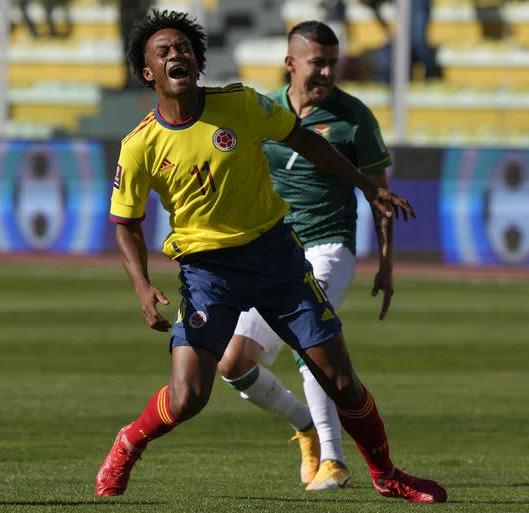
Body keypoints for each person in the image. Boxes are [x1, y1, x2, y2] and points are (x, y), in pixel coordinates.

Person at [95, 9, 447, 504]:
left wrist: (368, 187)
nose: (177, 53)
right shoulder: (139, 146)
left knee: (342, 381)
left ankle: (387, 475)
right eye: (164, 51)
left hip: (276, 259)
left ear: (196, 61)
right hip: (207, 274)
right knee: (189, 397)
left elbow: (302, 138)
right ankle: (128, 442)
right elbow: (125, 225)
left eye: (183, 48)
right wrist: (141, 285)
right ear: (148, 72)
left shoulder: (239, 104)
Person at [216, 20, 396, 492]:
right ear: (291, 63)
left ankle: (335, 462)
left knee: (308, 342)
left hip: (328, 246)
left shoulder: (353, 117)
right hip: (272, 251)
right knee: (233, 364)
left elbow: (380, 194)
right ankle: (305, 425)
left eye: (333, 63)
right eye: (318, 62)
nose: (327, 72)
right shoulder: (264, 112)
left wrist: (387, 263)